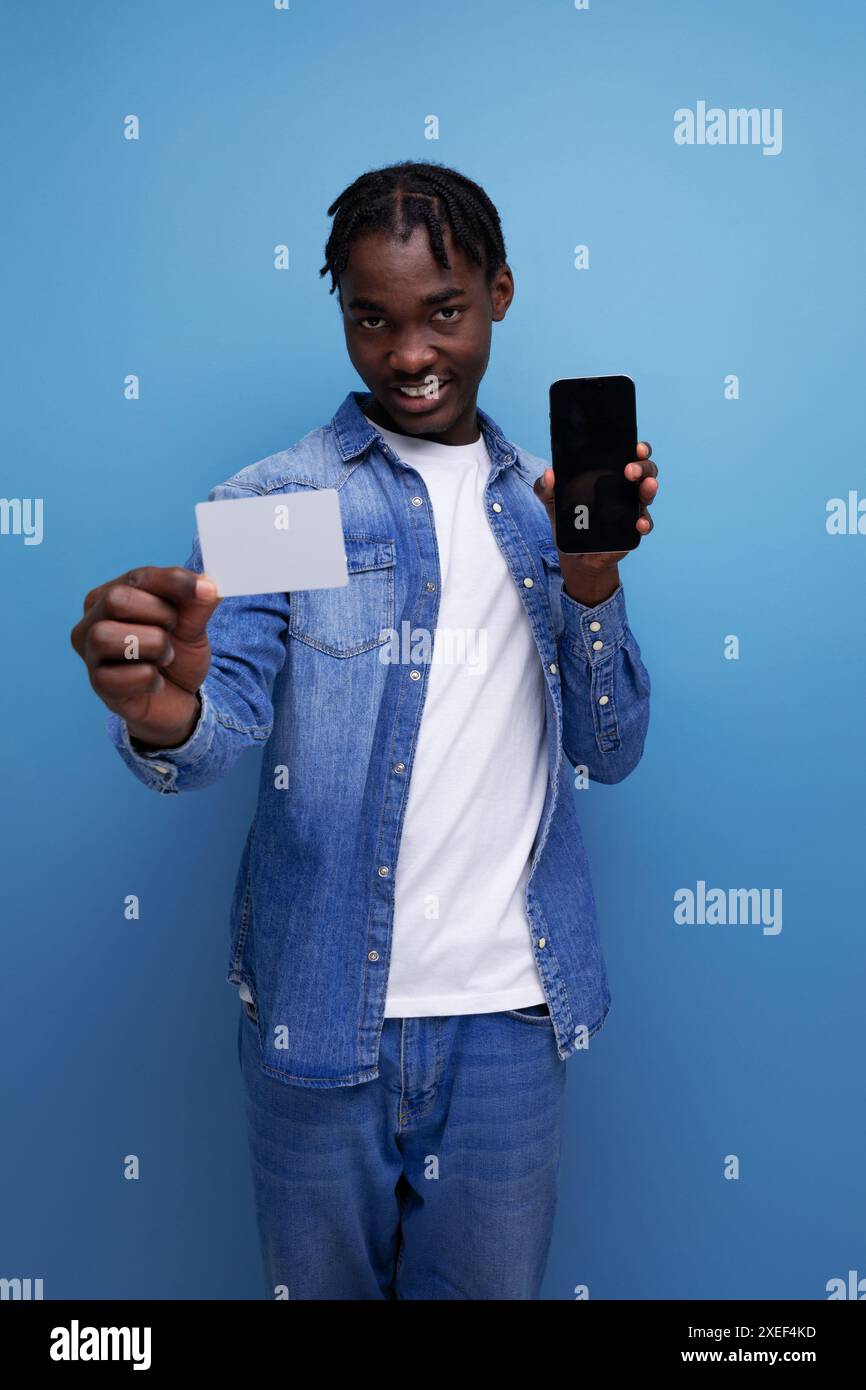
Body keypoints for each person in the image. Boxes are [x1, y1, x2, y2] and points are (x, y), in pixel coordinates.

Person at [70, 160, 657, 1300]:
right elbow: (221, 715)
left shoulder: (546, 516)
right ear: (340, 309)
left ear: (499, 291)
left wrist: (589, 581)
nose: (409, 353)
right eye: (370, 318)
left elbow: (611, 749)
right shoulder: (284, 506)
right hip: (318, 1014)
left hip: (505, 1021)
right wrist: (163, 713)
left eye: (444, 311)